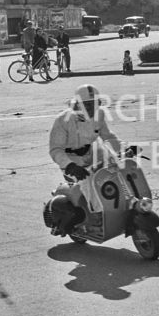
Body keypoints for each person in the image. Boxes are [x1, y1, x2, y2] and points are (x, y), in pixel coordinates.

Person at [48, 84, 125, 236]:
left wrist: (122, 150)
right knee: (88, 178)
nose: (92, 108)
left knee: (115, 167)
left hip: (91, 151)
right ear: (77, 104)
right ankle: (97, 216)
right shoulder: (63, 120)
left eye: (95, 103)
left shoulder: (100, 115)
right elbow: (55, 149)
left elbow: (107, 136)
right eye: (88, 104)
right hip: (70, 158)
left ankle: (123, 202)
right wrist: (70, 166)